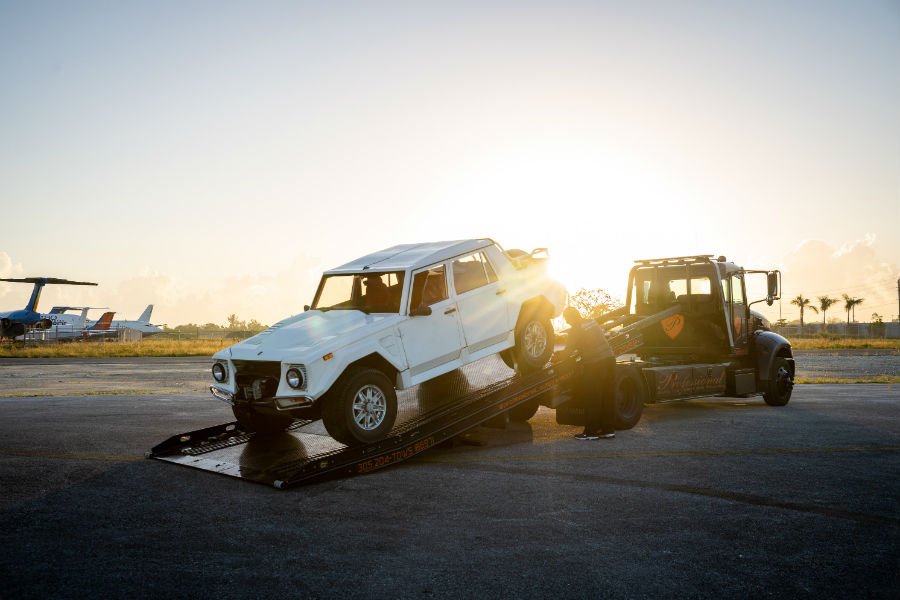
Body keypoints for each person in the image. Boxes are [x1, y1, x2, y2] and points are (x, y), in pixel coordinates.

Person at [562, 306, 616, 440]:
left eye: (567, 319)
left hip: (595, 364)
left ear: (571, 318)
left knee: (593, 397)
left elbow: (567, 352)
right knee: (607, 396)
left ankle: (591, 432)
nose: (567, 322)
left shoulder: (575, 330)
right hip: (610, 360)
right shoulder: (592, 322)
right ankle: (608, 430)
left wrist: (558, 356)